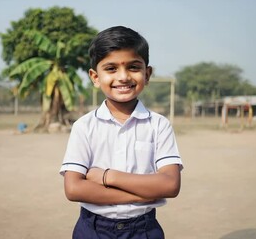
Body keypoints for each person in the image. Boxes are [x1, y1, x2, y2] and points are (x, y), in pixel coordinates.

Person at [59, 26, 183, 239]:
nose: (123, 77)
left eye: (134, 67)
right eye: (111, 68)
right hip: (93, 229)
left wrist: (107, 176)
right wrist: (143, 194)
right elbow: (74, 189)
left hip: (143, 229)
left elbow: (170, 185)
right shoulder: (84, 126)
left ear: (147, 73)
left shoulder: (159, 125)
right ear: (95, 77)